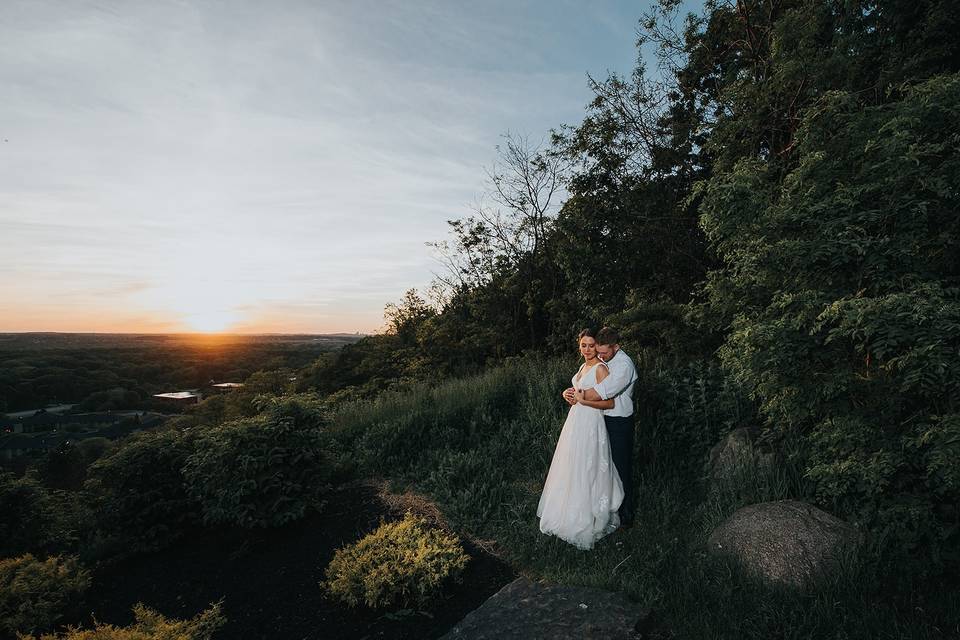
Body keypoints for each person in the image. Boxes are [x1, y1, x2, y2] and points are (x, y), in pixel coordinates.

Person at [537, 328, 625, 550]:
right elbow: (579, 391)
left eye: (591, 345)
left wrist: (583, 400)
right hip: (575, 422)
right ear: (579, 346)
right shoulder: (582, 367)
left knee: (588, 466)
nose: (587, 349)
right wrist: (568, 394)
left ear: (598, 346)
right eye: (583, 345)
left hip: (591, 423)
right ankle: (567, 511)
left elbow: (609, 403)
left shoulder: (601, 368)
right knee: (571, 465)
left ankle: (587, 516)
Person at [563, 326, 637, 527]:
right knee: (598, 467)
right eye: (598, 351)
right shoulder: (605, 360)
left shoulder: (624, 366)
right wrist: (569, 394)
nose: (600, 355)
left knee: (620, 468)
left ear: (616, 347)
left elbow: (603, 392)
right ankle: (598, 509)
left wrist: (579, 397)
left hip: (619, 420)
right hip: (598, 420)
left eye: (603, 352)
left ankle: (625, 516)